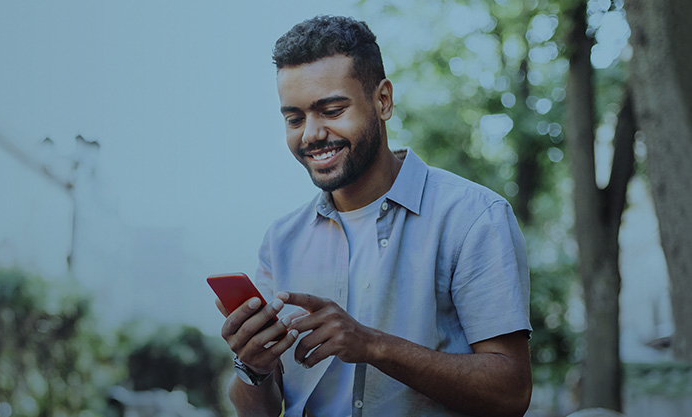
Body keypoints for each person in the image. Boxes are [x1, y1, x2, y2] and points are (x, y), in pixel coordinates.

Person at [215, 15, 532, 417]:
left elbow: (511, 394)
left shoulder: (473, 218)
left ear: (382, 100)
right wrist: (253, 367)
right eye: (294, 119)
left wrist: (372, 345)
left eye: (331, 109)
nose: (310, 134)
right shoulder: (281, 240)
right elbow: (259, 411)